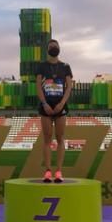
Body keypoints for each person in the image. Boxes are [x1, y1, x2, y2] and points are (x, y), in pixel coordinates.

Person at [36, 39, 73, 183]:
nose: (53, 48)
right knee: (47, 139)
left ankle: (58, 171)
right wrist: (44, 103)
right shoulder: (42, 66)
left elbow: (69, 86)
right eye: (51, 46)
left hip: (60, 106)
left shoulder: (65, 66)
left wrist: (62, 104)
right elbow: (38, 86)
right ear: (48, 49)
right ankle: (47, 171)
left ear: (59, 48)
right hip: (46, 106)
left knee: (60, 138)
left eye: (55, 46)